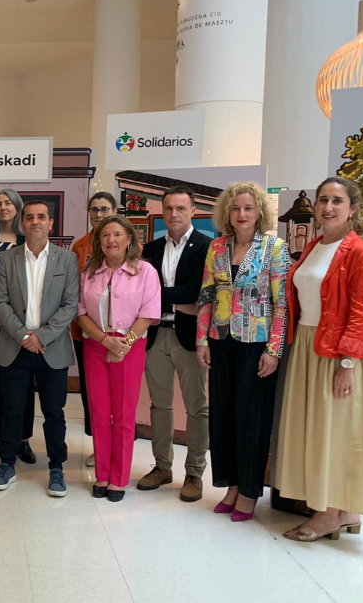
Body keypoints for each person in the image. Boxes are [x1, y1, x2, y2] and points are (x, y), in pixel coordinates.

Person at [276, 176, 363, 542]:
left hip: (338, 353)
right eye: (323, 200)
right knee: (317, 431)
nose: (328, 207)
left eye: (337, 201)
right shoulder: (315, 246)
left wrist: (347, 365)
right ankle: (344, 510)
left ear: (352, 209)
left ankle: (329, 514)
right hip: (307, 344)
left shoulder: (362, 253)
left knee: (335, 433)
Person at [196, 182, 290, 522]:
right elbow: (207, 294)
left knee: (251, 418)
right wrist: (202, 340)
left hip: (257, 344)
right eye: (235, 208)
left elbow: (283, 304)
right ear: (227, 213)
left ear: (259, 212)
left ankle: (249, 491)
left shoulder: (275, 248)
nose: (241, 214)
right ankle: (231, 485)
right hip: (221, 340)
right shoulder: (217, 247)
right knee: (223, 415)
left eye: (248, 208)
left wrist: (274, 350)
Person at [0, 200, 81, 497]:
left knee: (54, 411)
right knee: (12, 410)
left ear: (50, 224)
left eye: (41, 217)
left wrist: (41, 336)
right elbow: (0, 303)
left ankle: (57, 467)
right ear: (22, 223)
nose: (35, 222)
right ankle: (6, 464)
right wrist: (23, 336)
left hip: (51, 350)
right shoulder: (8, 259)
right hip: (14, 347)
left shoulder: (66, 260)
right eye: (29, 217)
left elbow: (70, 305)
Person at [75, 215, 161, 501]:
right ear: (98, 241)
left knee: (123, 416)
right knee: (99, 414)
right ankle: (102, 474)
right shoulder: (88, 271)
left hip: (129, 345)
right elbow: (80, 312)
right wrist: (104, 340)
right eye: (105, 235)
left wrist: (124, 343)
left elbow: (148, 312)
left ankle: (119, 479)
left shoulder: (145, 271)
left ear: (129, 239)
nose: (111, 240)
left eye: (117, 234)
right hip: (96, 346)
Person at [137, 187, 212, 502]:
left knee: (197, 407)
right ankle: (162, 467)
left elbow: (196, 290)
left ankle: (194, 473)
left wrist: (165, 297)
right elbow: (143, 290)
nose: (174, 214)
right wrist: (177, 299)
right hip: (156, 335)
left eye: (181, 208)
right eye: (168, 208)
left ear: (193, 210)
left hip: (190, 338)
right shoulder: (151, 248)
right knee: (160, 404)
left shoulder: (208, 247)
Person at [0, 188, 37, 465]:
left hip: (20, 322)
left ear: (17, 207)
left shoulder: (28, 239)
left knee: (23, 383)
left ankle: (23, 438)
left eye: (8, 203)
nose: (3, 208)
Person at [69, 191, 117, 468]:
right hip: (86, 331)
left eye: (104, 209)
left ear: (114, 210)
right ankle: (97, 444)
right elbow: (74, 288)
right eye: (94, 209)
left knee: (117, 391)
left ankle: (117, 443)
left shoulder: (128, 244)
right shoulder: (80, 246)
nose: (99, 214)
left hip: (120, 333)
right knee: (92, 392)